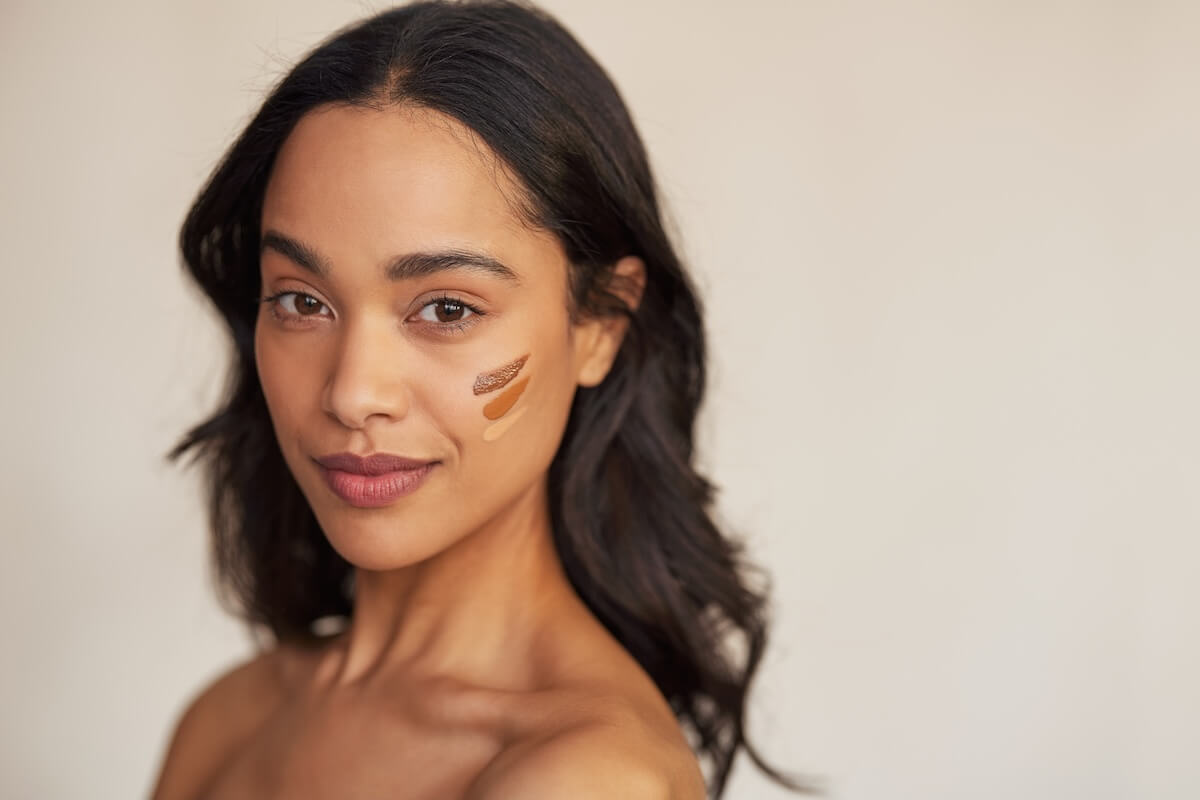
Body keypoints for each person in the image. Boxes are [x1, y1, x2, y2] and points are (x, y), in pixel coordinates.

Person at [152, 1, 811, 798]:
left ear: (601, 322)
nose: (354, 393)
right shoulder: (230, 719)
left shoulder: (582, 778)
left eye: (448, 309)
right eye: (301, 300)